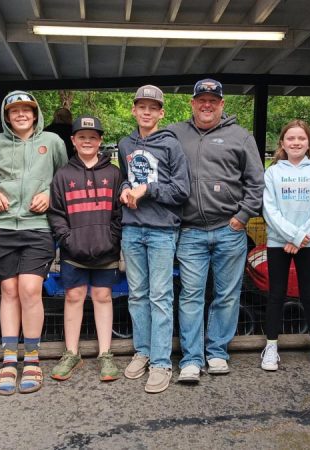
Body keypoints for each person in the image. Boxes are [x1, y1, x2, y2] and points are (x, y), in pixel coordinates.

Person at [167, 78, 264, 382]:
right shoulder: (174, 133)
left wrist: (242, 217)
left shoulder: (241, 137)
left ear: (222, 104)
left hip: (229, 230)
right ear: (192, 103)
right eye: (201, 100)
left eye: (213, 100)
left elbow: (256, 183)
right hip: (190, 231)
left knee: (227, 295)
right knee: (190, 296)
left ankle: (218, 352)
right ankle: (192, 359)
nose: (206, 105)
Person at [0, 91, 68, 395]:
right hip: (4, 226)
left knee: (30, 290)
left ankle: (32, 358)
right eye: (14, 110)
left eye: (26, 110)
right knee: (8, 291)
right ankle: (8, 359)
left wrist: (49, 195)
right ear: (7, 116)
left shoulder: (53, 142)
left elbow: (64, 178)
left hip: (39, 227)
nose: (21, 114)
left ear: (35, 114)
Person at [118, 85, 190, 393]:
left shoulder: (171, 145)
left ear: (161, 113)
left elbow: (182, 190)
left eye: (153, 107)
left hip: (162, 230)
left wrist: (148, 189)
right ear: (133, 110)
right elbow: (125, 177)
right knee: (137, 295)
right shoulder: (125, 144)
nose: (146, 112)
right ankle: (143, 351)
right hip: (132, 228)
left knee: (160, 297)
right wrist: (125, 189)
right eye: (141, 107)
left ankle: (161, 362)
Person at [47, 115, 123, 382]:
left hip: (106, 250)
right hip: (73, 251)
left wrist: (111, 239)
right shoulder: (63, 174)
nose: (87, 141)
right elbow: (56, 213)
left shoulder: (114, 173)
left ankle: (105, 354)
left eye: (92, 137)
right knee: (73, 297)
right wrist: (67, 239)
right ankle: (71, 353)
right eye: (82, 137)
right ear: (73, 140)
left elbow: (120, 212)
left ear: (100, 141)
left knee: (103, 296)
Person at [260, 120, 310, 374]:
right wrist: (293, 236)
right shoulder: (272, 173)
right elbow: (270, 210)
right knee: (276, 294)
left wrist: (300, 238)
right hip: (279, 242)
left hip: (308, 243)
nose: (296, 142)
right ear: (282, 143)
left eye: (301, 138)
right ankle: (271, 346)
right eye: (291, 138)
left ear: (309, 142)